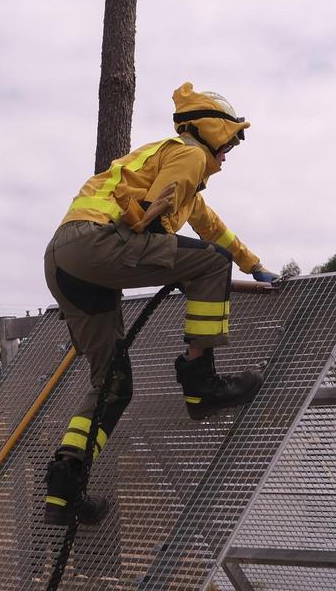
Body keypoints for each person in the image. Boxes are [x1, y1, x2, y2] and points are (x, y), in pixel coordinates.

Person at [42, 83, 278, 527]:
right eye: (231, 141)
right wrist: (216, 269)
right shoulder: (188, 154)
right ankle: (201, 383)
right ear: (214, 130)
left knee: (113, 385)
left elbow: (212, 229)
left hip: (64, 258)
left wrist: (253, 265)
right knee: (209, 263)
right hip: (97, 243)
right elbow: (156, 217)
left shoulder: (170, 162)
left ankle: (64, 489)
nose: (229, 153)